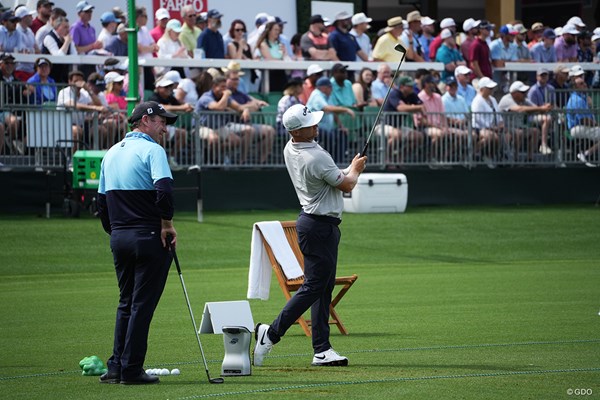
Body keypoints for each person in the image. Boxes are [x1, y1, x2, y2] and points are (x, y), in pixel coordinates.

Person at [253, 103, 366, 368]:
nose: (315, 125)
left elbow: (337, 178)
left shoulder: (292, 147)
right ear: (297, 131)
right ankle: (270, 333)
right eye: (309, 125)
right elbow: (347, 184)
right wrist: (355, 168)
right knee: (315, 286)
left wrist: (348, 170)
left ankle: (322, 350)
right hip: (319, 226)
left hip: (316, 224)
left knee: (323, 288)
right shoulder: (314, 157)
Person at [97, 100, 178, 386]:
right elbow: (165, 191)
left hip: (120, 237)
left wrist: (117, 232)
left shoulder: (110, 152)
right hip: (148, 236)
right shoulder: (153, 150)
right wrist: (167, 224)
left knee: (126, 303)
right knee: (141, 305)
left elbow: (101, 203)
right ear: (145, 120)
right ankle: (131, 369)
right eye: (161, 122)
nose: (165, 129)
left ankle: (116, 367)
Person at [225, 69, 274, 163]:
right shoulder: (224, 95)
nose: (237, 81)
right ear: (227, 79)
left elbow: (255, 106)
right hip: (229, 125)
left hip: (246, 123)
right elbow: (229, 109)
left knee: (270, 130)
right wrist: (244, 108)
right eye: (234, 79)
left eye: (237, 79)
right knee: (249, 131)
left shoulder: (241, 94)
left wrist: (244, 108)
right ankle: (242, 161)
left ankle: (260, 162)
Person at [305, 76, 355, 163]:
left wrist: (341, 126)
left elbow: (333, 112)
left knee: (341, 134)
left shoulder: (328, 96)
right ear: (324, 88)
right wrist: (346, 109)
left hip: (327, 129)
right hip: (314, 128)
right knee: (330, 137)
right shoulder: (316, 94)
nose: (332, 89)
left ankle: (338, 161)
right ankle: (328, 161)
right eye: (330, 87)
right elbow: (327, 108)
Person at [148, 76, 193, 169]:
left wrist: (187, 107)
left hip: (165, 127)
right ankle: (160, 159)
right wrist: (182, 107)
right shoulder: (153, 97)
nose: (168, 89)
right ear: (158, 88)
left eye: (170, 86)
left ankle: (171, 158)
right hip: (152, 128)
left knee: (183, 134)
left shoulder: (171, 98)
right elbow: (162, 107)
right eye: (166, 87)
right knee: (163, 134)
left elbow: (181, 106)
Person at [498, 80, 548, 161]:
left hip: (520, 127)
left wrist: (545, 108)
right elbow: (519, 109)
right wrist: (541, 108)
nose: (525, 94)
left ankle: (530, 158)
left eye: (525, 92)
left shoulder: (524, 100)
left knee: (535, 131)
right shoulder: (506, 99)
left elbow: (536, 108)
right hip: (506, 128)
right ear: (514, 93)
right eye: (522, 92)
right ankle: (515, 157)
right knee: (519, 133)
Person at [566, 77, 600, 167]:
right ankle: (585, 154)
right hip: (576, 128)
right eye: (581, 84)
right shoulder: (577, 99)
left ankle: (587, 154)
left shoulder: (583, 98)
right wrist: (597, 125)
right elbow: (584, 120)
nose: (585, 85)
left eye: (584, 82)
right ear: (575, 87)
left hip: (582, 127)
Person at [471, 77, 503, 167]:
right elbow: (477, 118)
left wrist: (501, 123)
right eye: (489, 88)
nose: (491, 90)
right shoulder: (477, 100)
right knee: (492, 137)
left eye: (492, 88)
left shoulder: (493, 99)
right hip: (479, 127)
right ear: (482, 89)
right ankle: (474, 153)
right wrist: (490, 127)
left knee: (506, 136)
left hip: (493, 128)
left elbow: (497, 113)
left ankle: (495, 156)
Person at [70, 1, 102, 77]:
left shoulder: (92, 29)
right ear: (79, 13)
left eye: (90, 11)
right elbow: (75, 49)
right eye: (87, 11)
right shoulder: (75, 28)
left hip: (91, 63)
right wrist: (93, 46)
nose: (90, 13)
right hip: (81, 65)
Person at [527, 68, 555, 154]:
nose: (543, 77)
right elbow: (532, 108)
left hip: (548, 113)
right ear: (537, 77)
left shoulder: (551, 88)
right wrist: (543, 108)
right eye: (541, 75)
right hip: (534, 115)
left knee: (561, 120)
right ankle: (543, 145)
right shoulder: (533, 90)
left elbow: (553, 104)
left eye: (545, 75)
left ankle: (560, 150)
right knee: (547, 119)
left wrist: (550, 108)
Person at [41, 16, 76, 84]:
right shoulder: (49, 38)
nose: (68, 30)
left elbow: (74, 56)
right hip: (50, 78)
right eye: (65, 27)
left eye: (68, 27)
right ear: (57, 27)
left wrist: (68, 41)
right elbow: (59, 57)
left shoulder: (68, 39)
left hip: (64, 77)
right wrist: (66, 42)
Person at [256, 21, 288, 92]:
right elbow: (269, 58)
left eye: (278, 30)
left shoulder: (280, 44)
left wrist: (284, 54)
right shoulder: (263, 44)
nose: (277, 32)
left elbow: (285, 57)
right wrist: (281, 60)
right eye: (275, 30)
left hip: (281, 74)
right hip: (269, 75)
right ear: (269, 31)